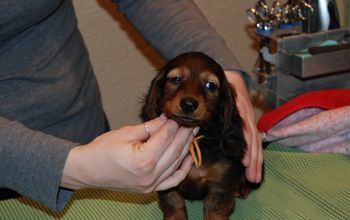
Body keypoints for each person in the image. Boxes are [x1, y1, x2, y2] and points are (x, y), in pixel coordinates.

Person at [0, 0, 263, 211]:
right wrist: (69, 166)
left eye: (210, 87)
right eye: (175, 80)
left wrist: (228, 75)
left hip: (86, 135)